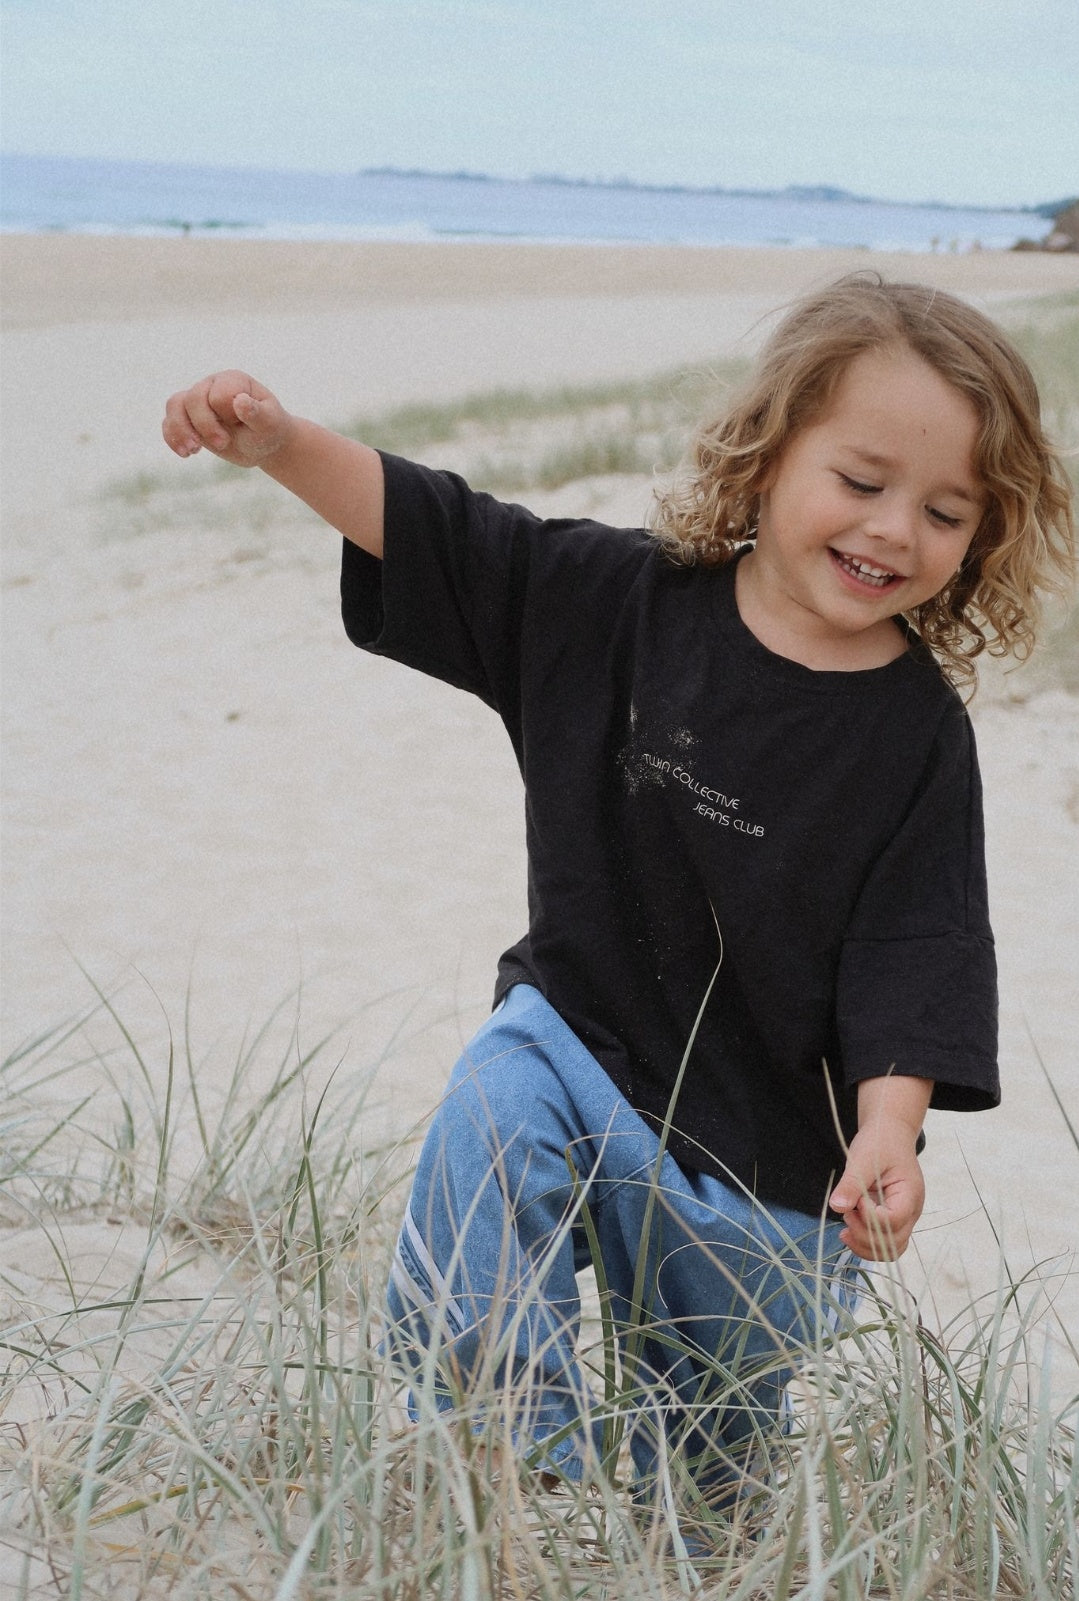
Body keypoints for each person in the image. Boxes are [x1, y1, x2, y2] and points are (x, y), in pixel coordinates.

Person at [162, 275, 1075, 1516]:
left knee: (704, 1489)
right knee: (495, 1099)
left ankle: (682, 1521)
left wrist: (887, 1132)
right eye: (859, 482)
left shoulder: (916, 736)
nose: (891, 529)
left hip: (762, 1172)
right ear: (766, 453)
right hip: (577, 1045)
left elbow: (914, 951)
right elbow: (443, 531)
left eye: (944, 510)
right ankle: (497, 1466)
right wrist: (278, 443)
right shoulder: (612, 602)